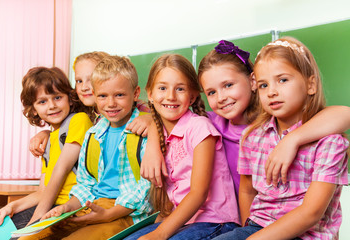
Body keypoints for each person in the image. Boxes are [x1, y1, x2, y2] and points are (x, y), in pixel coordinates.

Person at [141, 40, 350, 198]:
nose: (221, 98)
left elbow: (344, 114)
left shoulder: (273, 122)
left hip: (286, 220)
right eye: (211, 92)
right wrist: (152, 145)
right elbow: (161, 116)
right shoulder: (211, 124)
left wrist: (291, 139)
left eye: (228, 85)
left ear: (252, 81)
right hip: (245, 221)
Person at [214, 37, 349, 240]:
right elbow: (248, 191)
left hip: (306, 234)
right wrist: (246, 232)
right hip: (257, 227)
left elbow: (311, 213)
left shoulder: (330, 143)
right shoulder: (251, 137)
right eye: (263, 85)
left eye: (283, 80)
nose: (272, 92)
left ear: (310, 84)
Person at [19, 56, 152, 240]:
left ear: (135, 93)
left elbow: (147, 189)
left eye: (119, 95)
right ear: (95, 95)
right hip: (90, 204)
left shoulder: (144, 130)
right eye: (103, 96)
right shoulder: (93, 134)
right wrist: (68, 207)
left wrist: (107, 214)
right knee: (30, 238)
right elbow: (86, 184)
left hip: (126, 212)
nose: (111, 103)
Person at [125, 54, 240, 240]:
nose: (170, 96)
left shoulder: (200, 128)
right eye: (163, 88)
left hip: (215, 221)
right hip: (184, 221)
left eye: (180, 89)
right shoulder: (159, 133)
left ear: (193, 96)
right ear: (151, 94)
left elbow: (198, 193)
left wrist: (159, 234)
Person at [0, 67, 93, 229]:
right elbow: (43, 191)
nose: (52, 106)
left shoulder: (79, 120)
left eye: (57, 97)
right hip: (50, 204)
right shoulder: (48, 140)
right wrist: (12, 207)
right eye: (42, 101)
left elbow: (61, 170)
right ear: (34, 109)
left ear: (70, 98)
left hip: (71, 207)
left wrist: (36, 221)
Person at [29, 51, 151, 159]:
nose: (84, 87)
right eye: (79, 81)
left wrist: (150, 118)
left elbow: (160, 122)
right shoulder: (79, 111)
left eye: (91, 79)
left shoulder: (131, 106)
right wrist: (46, 134)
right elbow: (64, 133)